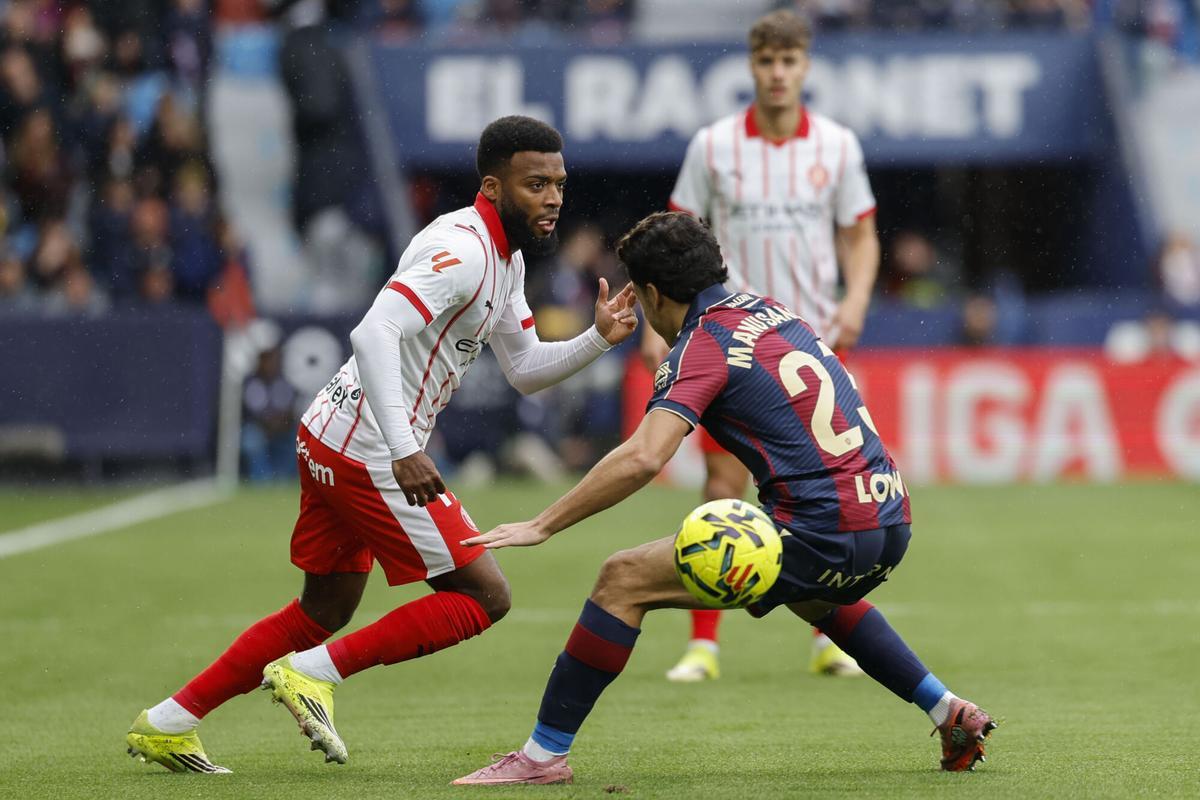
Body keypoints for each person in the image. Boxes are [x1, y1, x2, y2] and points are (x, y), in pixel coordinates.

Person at [125, 115, 639, 774]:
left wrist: (596, 339)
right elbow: (372, 333)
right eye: (535, 184)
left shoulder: (504, 258)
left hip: (330, 433)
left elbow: (524, 368)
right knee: (485, 597)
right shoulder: (464, 250)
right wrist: (403, 447)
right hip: (370, 449)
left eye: (559, 184)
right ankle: (311, 674)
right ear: (493, 185)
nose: (553, 198)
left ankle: (168, 722)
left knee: (324, 608)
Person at [453, 212, 995, 785]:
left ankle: (540, 758)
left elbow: (643, 456)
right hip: (889, 519)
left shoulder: (701, 344)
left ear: (654, 294)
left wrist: (543, 522)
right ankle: (947, 710)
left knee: (622, 579)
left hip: (825, 526)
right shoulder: (774, 311)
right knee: (812, 592)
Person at [645, 8, 881, 682]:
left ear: (806, 66)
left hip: (809, 344)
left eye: (789, 61)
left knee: (825, 495)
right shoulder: (713, 146)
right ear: (752, 66)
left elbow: (860, 236)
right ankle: (704, 645)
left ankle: (829, 638)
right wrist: (664, 335)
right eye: (767, 61)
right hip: (732, 346)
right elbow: (678, 236)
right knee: (723, 484)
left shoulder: (836, 145)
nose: (778, 73)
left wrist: (856, 301)